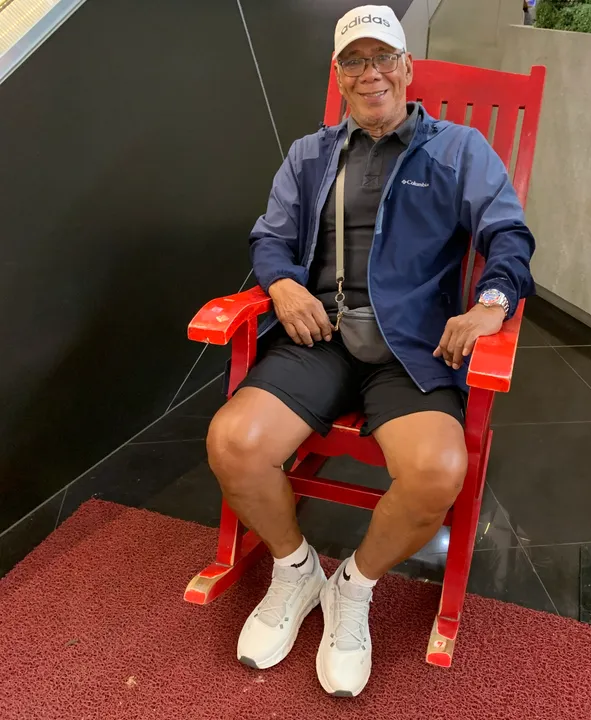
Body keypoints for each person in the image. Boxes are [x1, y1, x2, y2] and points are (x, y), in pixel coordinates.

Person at [206, 4, 535, 697]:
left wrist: (491, 303)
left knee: (436, 472)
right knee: (233, 443)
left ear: (407, 67)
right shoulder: (310, 154)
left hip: (413, 348)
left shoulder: (459, 149)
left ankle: (352, 587)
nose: (371, 73)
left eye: (383, 57)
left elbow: (507, 234)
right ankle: (296, 571)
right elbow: (270, 237)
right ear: (339, 76)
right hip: (319, 337)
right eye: (354, 61)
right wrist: (283, 285)